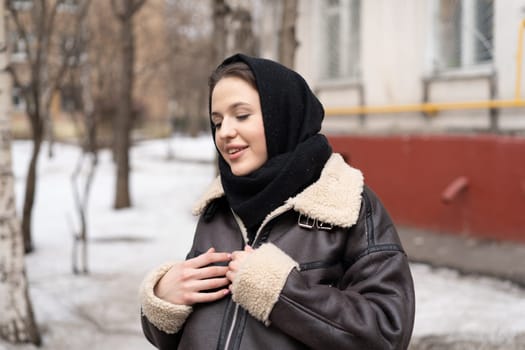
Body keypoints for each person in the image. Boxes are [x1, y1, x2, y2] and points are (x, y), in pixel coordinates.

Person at [139, 53, 415, 349]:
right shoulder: (219, 207)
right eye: (217, 122)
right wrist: (163, 300)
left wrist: (280, 291)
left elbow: (387, 333)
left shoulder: (349, 205)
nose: (225, 133)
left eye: (241, 115)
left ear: (281, 116)